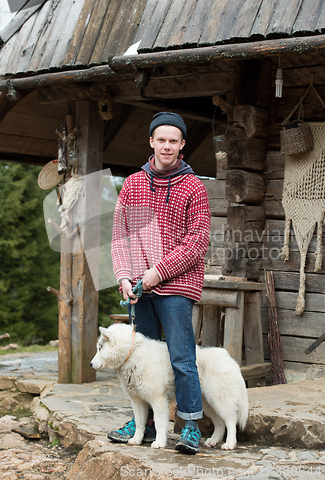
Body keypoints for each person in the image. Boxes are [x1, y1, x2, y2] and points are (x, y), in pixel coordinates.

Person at [109, 111, 211, 454]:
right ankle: (148, 425)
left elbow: (196, 243)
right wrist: (124, 275)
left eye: (174, 141)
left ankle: (190, 425)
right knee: (142, 360)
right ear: (151, 142)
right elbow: (119, 236)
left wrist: (158, 273)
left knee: (182, 359)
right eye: (161, 139)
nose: (167, 146)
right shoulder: (133, 184)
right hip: (139, 287)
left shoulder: (192, 187)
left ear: (182, 145)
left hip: (176, 287)